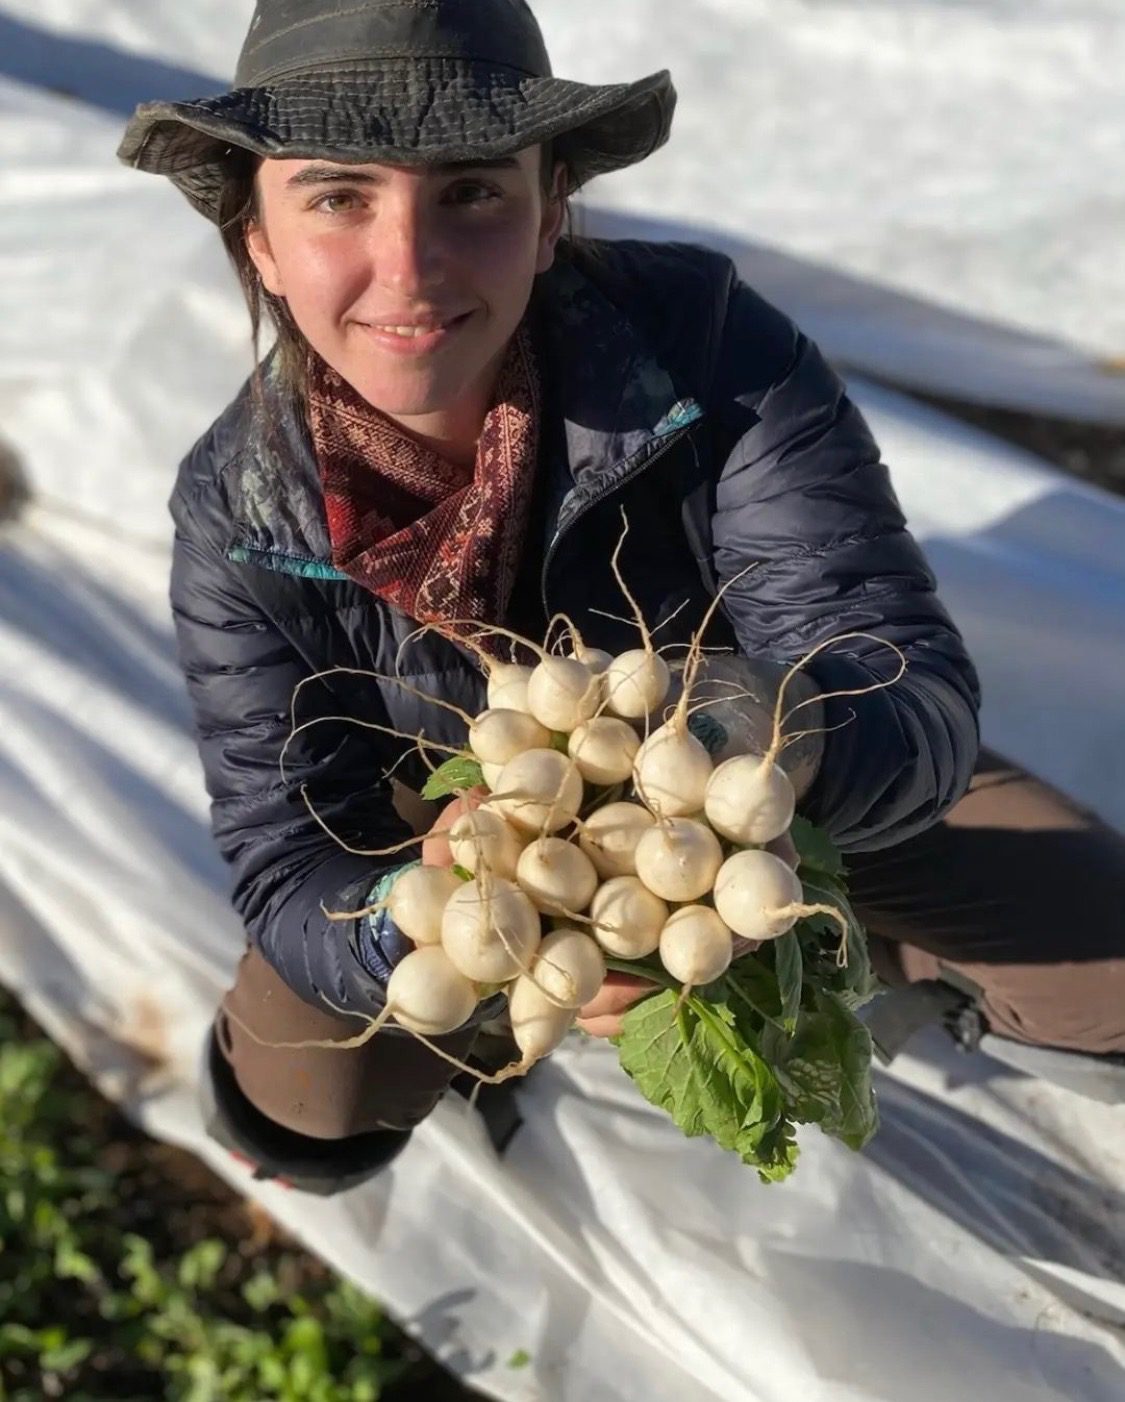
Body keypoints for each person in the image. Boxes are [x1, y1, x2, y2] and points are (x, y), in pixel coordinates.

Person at [119, 0, 1123, 1192]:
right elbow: (286, 859)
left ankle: (860, 940)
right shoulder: (237, 511)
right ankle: (442, 1054)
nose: (410, 265)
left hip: (755, 777)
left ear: (551, 215)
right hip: (448, 831)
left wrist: (767, 736)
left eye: (473, 192)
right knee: (302, 1110)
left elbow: (900, 674)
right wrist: (417, 908)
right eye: (340, 197)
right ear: (259, 244)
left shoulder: (711, 347)